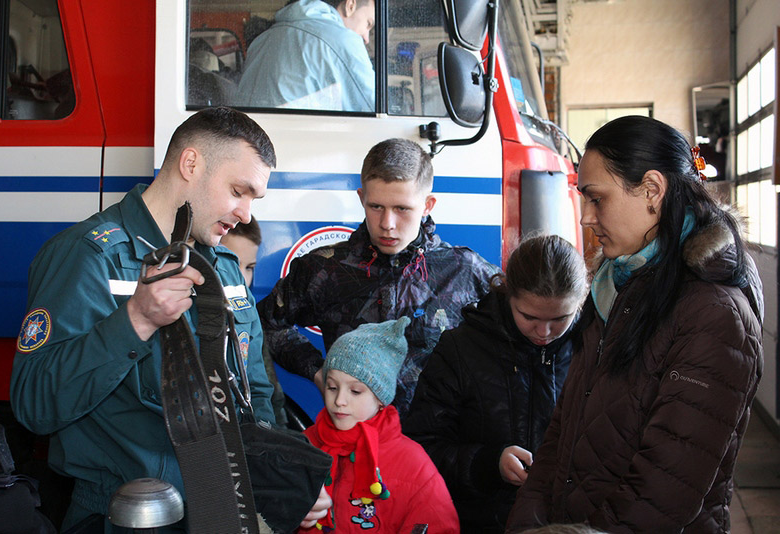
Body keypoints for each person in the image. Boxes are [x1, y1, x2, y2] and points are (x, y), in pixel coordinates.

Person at [9, 107, 330, 532]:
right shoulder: (88, 257)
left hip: (222, 510)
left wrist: (288, 476)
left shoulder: (226, 269)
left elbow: (259, 393)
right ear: (191, 163)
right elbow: (33, 405)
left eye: (255, 198)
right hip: (127, 514)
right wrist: (136, 320)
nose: (247, 213)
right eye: (239, 190)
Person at [507, 116, 764, 532]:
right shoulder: (616, 286)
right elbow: (562, 430)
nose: (587, 218)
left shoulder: (713, 315)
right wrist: (529, 518)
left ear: (651, 190)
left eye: (597, 199)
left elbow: (660, 496)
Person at [258, 137, 500, 418]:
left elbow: (525, 329)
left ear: (428, 205)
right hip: (355, 447)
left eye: (402, 209)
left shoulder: (464, 270)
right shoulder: (324, 269)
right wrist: (318, 372)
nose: (387, 224)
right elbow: (263, 324)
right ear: (361, 198)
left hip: (437, 451)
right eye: (376, 207)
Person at [403, 234, 588, 533]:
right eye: (529, 316)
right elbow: (421, 447)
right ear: (507, 294)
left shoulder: (594, 347)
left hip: (572, 521)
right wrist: (489, 463)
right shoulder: (460, 349)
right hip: (483, 521)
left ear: (580, 303)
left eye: (560, 318)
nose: (544, 331)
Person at [301, 317, 460, 533]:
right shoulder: (304, 444)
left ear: (381, 398)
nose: (339, 400)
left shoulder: (413, 465)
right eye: (331, 387)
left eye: (355, 391)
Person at [237, 0, 375, 112]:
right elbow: (371, 105)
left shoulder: (263, 38)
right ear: (350, 5)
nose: (366, 37)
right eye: (368, 24)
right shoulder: (343, 39)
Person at [221, 217, 289, 428]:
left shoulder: (249, 320)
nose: (240, 278)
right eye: (230, 263)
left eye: (249, 267)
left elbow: (271, 397)